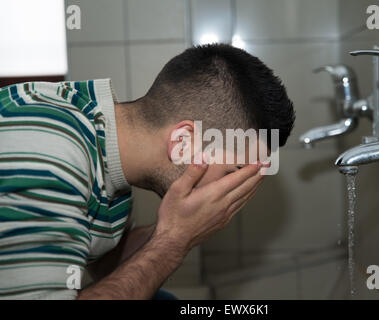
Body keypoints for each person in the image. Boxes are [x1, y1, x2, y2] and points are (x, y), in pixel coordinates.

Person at [0, 44, 295, 299]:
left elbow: (106, 264)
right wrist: (175, 240)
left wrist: (189, 226)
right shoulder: (52, 152)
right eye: (235, 171)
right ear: (183, 142)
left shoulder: (108, 146)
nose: (234, 186)